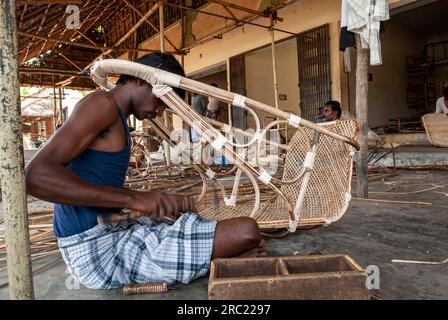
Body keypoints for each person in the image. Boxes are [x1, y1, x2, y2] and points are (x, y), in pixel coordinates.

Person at [25, 52, 267, 290]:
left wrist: (145, 200)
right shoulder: (102, 104)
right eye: (161, 100)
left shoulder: (115, 116)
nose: (160, 111)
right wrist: (135, 198)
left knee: (207, 224)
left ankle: (212, 258)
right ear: (141, 79)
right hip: (98, 252)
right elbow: (36, 176)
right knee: (247, 231)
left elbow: (95, 186)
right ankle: (219, 260)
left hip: (113, 229)